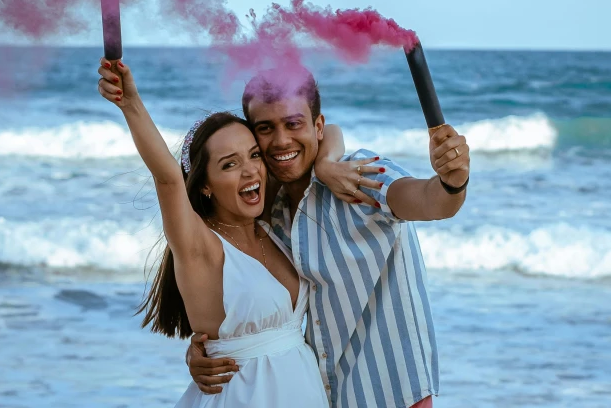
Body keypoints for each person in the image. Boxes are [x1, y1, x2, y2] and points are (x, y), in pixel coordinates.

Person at [96, 58, 374, 407]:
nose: (249, 172)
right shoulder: (200, 246)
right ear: (206, 185)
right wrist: (130, 102)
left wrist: (326, 163)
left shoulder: (268, 222)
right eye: (229, 164)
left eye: (254, 155)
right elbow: (167, 177)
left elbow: (327, 130)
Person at [188, 68, 470, 408]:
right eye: (265, 128)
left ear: (317, 126)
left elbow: (431, 200)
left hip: (392, 395)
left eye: (293, 124)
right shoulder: (268, 214)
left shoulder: (359, 176)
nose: (280, 141)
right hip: (322, 396)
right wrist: (207, 348)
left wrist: (452, 182)